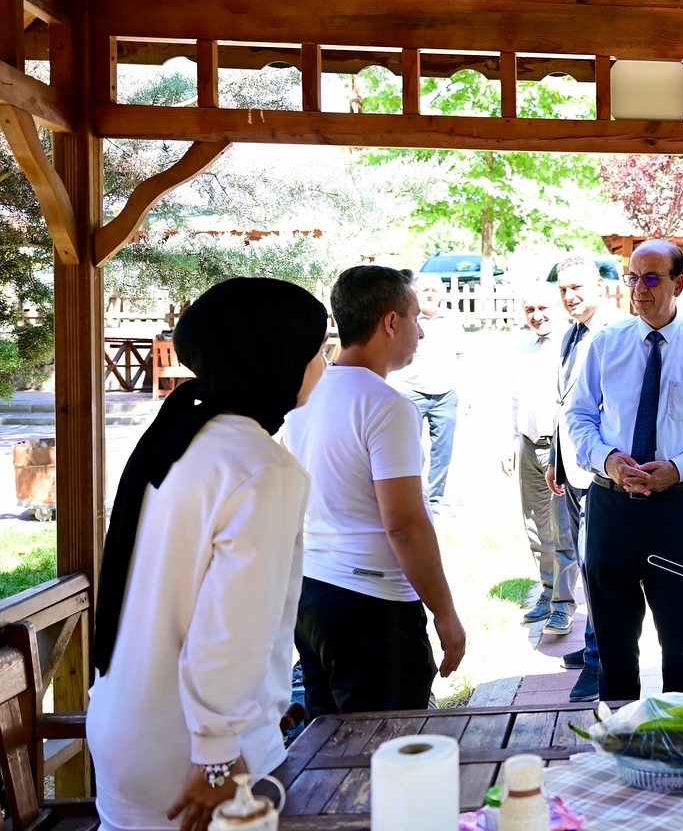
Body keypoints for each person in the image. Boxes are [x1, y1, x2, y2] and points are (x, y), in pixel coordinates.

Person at [88, 277, 329, 831]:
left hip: (124, 722)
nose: (323, 364)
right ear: (273, 357)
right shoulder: (261, 467)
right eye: (315, 350)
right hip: (195, 752)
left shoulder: (180, 438)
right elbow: (231, 626)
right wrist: (218, 751)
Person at [288, 265, 466, 718]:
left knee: (327, 751)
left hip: (312, 594)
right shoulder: (387, 405)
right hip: (371, 605)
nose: (421, 334)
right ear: (391, 322)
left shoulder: (306, 394)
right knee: (389, 752)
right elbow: (404, 524)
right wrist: (445, 614)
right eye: (414, 318)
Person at [567, 239, 683, 699]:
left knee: (680, 641)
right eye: (632, 277)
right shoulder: (606, 343)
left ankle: (679, 738)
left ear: (678, 283)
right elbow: (579, 416)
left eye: (651, 278)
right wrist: (608, 460)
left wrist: (678, 468)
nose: (638, 289)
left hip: (676, 513)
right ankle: (620, 735)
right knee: (613, 642)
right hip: (611, 507)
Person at [544, 255, 626, 702]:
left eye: (577, 287)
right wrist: (558, 459)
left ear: (600, 286)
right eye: (562, 289)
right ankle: (594, 646)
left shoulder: (615, 334)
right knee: (581, 560)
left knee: (600, 568)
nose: (569, 296)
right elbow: (566, 405)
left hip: (604, 472)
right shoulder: (570, 333)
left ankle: (599, 662)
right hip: (573, 469)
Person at [501, 284, 571, 635]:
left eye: (543, 308)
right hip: (529, 445)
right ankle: (547, 591)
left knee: (562, 528)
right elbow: (514, 398)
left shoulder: (570, 343)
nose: (537, 316)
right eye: (529, 309)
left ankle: (563, 604)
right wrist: (510, 442)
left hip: (559, 449)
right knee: (534, 525)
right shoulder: (521, 346)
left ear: (557, 306)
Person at [389, 272, 465, 508]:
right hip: (411, 391)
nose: (430, 295)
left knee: (443, 448)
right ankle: (409, 494)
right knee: (407, 446)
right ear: (416, 293)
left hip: (445, 393)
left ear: (441, 294)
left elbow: (461, 355)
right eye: (425, 291)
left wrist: (464, 389)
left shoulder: (452, 320)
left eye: (435, 290)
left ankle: (435, 497)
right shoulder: (409, 318)